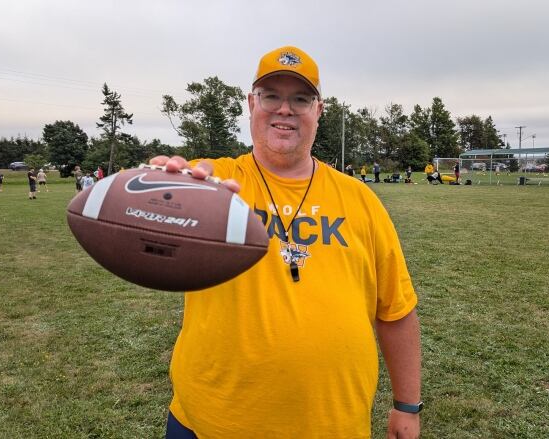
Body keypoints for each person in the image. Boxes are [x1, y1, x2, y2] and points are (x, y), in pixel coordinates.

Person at [149, 46, 421, 439]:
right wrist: (165, 185)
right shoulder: (216, 183)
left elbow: (395, 309)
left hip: (332, 426)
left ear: (318, 110)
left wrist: (407, 405)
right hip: (211, 424)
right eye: (271, 96)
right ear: (250, 103)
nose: (284, 110)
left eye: (300, 99)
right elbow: (166, 194)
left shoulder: (361, 200)